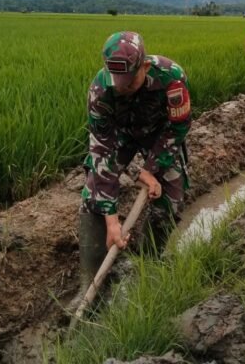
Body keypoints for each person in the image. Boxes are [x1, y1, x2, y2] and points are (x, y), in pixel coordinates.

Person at [79, 31, 192, 287]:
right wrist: (112, 218)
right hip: (121, 137)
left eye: (129, 83)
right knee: (92, 196)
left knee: (171, 199)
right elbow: (101, 150)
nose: (123, 88)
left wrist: (150, 168)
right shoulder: (101, 89)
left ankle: (147, 261)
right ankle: (90, 276)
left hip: (160, 137)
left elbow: (179, 127)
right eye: (118, 82)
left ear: (146, 66)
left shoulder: (171, 77)